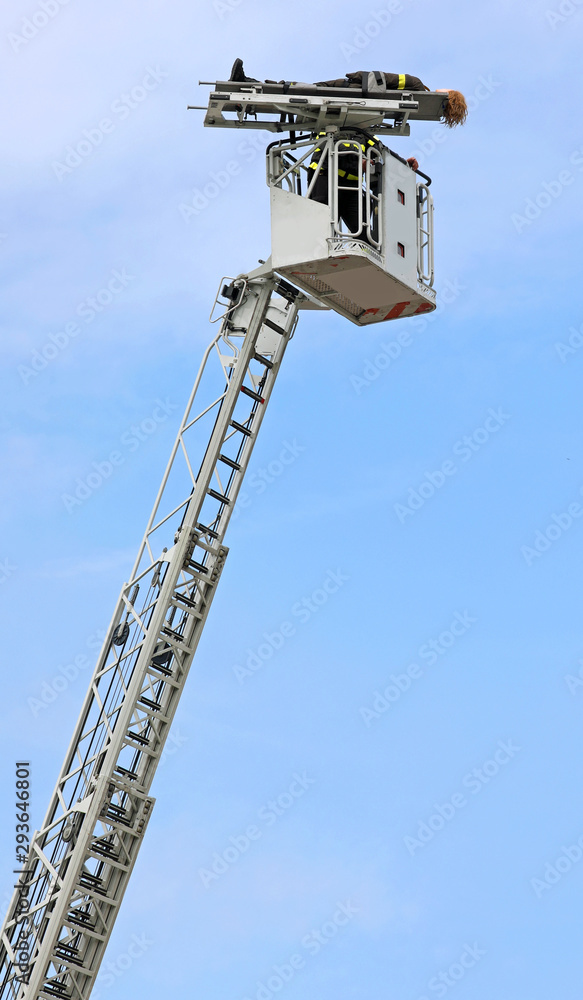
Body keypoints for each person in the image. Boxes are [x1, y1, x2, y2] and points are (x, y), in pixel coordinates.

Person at [228, 60, 467, 128]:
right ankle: (251, 84)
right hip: (357, 105)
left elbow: (382, 78)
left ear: (448, 96)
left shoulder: (417, 85)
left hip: (349, 90)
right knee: (302, 90)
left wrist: (357, 76)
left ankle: (248, 82)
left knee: (303, 89)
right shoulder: (416, 107)